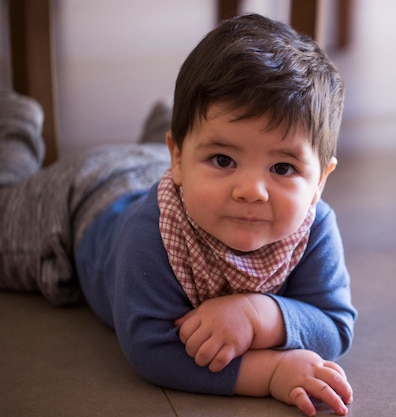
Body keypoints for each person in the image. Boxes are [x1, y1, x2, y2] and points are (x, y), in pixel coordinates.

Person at [0, 13, 356, 417]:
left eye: (282, 169)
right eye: (223, 159)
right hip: (84, 201)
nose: (251, 191)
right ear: (180, 159)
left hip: (161, 164)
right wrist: (271, 371)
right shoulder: (150, 233)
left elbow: (335, 324)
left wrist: (261, 314)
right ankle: (13, 130)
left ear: (321, 181)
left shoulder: (316, 227)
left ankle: (171, 127)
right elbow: (152, 348)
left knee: (212, 135)